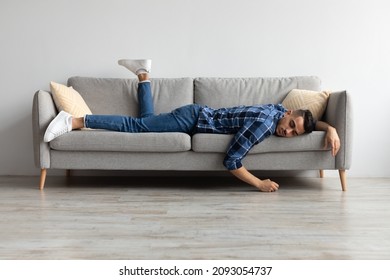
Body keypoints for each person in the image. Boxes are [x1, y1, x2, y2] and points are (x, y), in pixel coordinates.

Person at [44, 59, 340, 192]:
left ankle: (143, 74)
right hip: (193, 119)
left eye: (293, 132)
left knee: (145, 123)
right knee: (136, 127)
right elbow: (232, 159)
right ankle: (75, 120)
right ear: (288, 114)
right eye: (290, 125)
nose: (286, 132)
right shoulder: (265, 124)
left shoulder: (277, 111)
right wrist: (259, 183)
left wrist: (329, 128)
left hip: (196, 115)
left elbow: (308, 122)